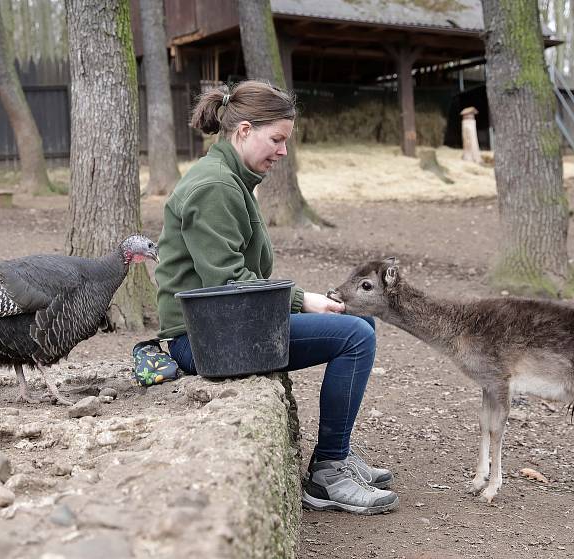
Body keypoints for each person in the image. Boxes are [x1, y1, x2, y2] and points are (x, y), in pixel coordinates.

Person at [154, 80, 398, 515]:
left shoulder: (231, 178)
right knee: (355, 338)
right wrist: (302, 299)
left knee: (361, 323)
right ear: (244, 130)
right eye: (277, 139)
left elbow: (238, 277)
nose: (283, 152)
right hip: (202, 339)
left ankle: (335, 455)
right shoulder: (215, 187)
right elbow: (228, 280)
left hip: (224, 324)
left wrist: (302, 300)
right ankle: (328, 473)